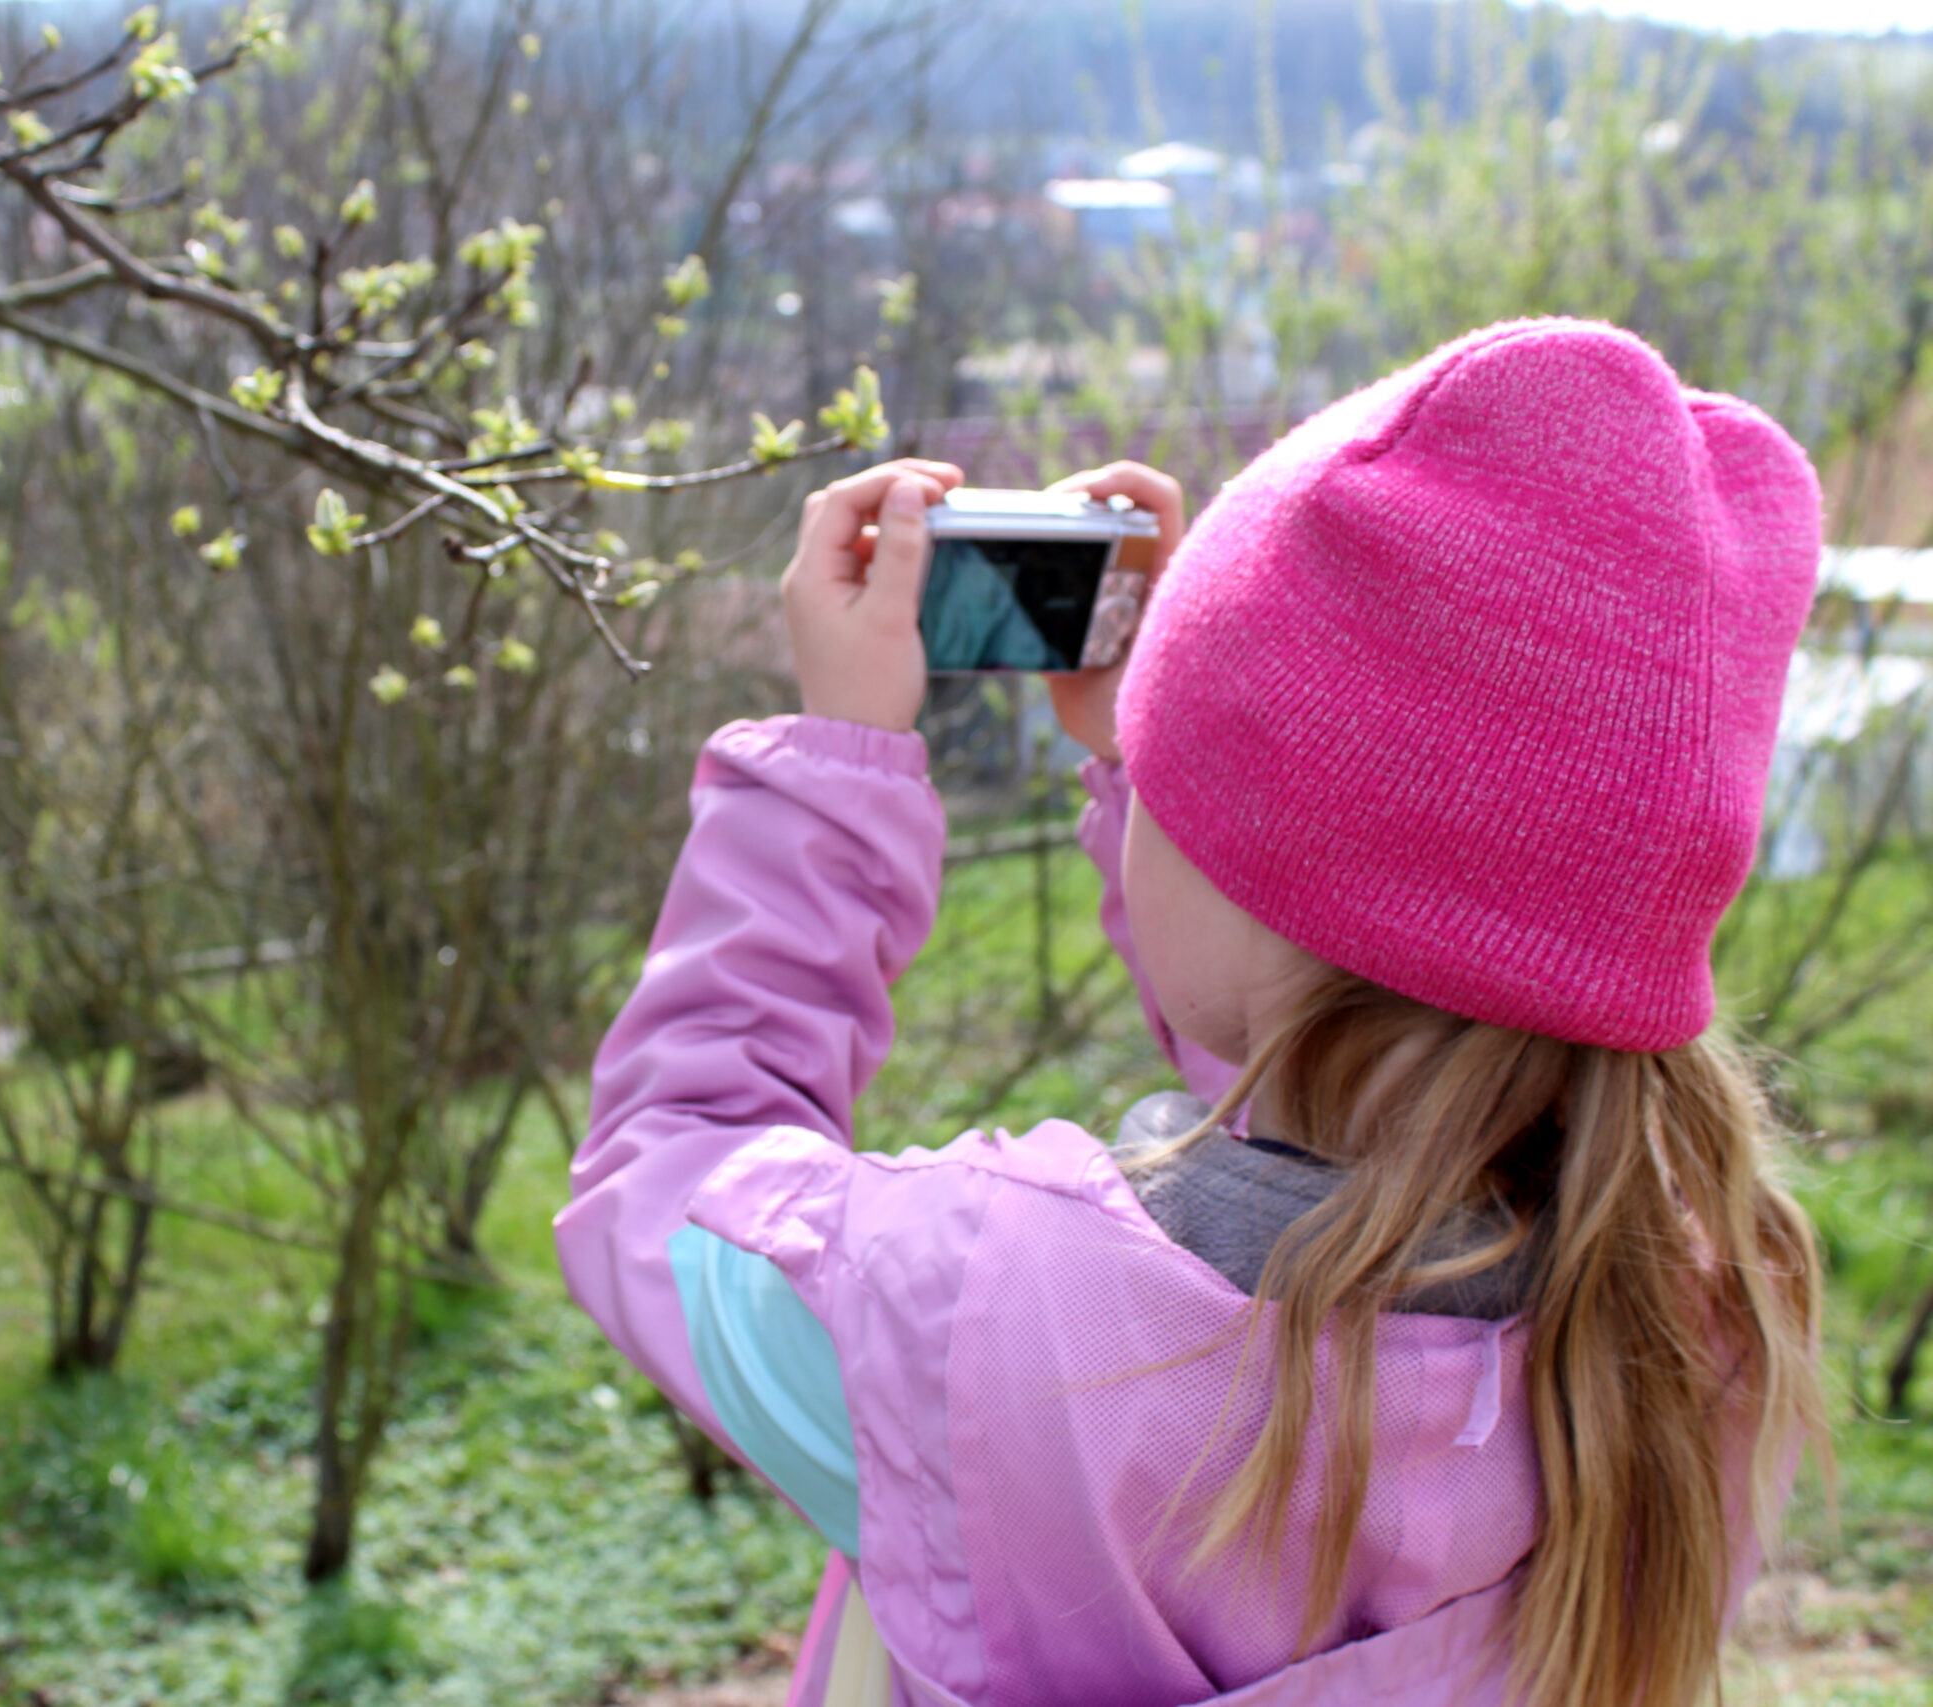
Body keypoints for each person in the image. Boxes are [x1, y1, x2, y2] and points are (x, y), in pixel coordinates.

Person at [558, 319, 1828, 1707]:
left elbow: (666, 1170)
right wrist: (1149, 756)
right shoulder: (1696, 1343)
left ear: (1249, 880)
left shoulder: (981, 1324)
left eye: (1167, 780)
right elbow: (1360, 1052)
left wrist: (835, 767)